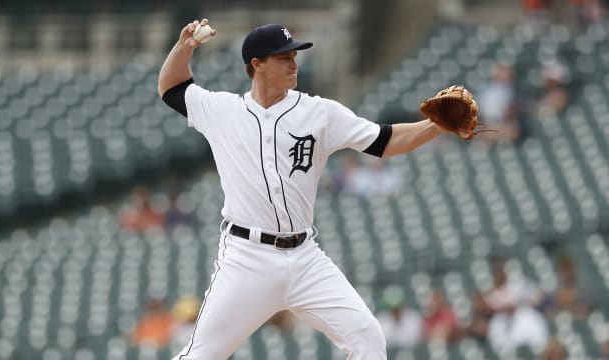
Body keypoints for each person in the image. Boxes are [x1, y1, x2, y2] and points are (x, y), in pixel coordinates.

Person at [158, 19, 453, 359]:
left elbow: (384, 141)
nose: (294, 62)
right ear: (258, 65)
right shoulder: (222, 110)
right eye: (284, 57)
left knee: (368, 338)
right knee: (202, 355)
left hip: (304, 256)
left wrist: (436, 125)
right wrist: (184, 48)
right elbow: (171, 88)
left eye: (294, 55)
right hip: (247, 258)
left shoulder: (319, 112)